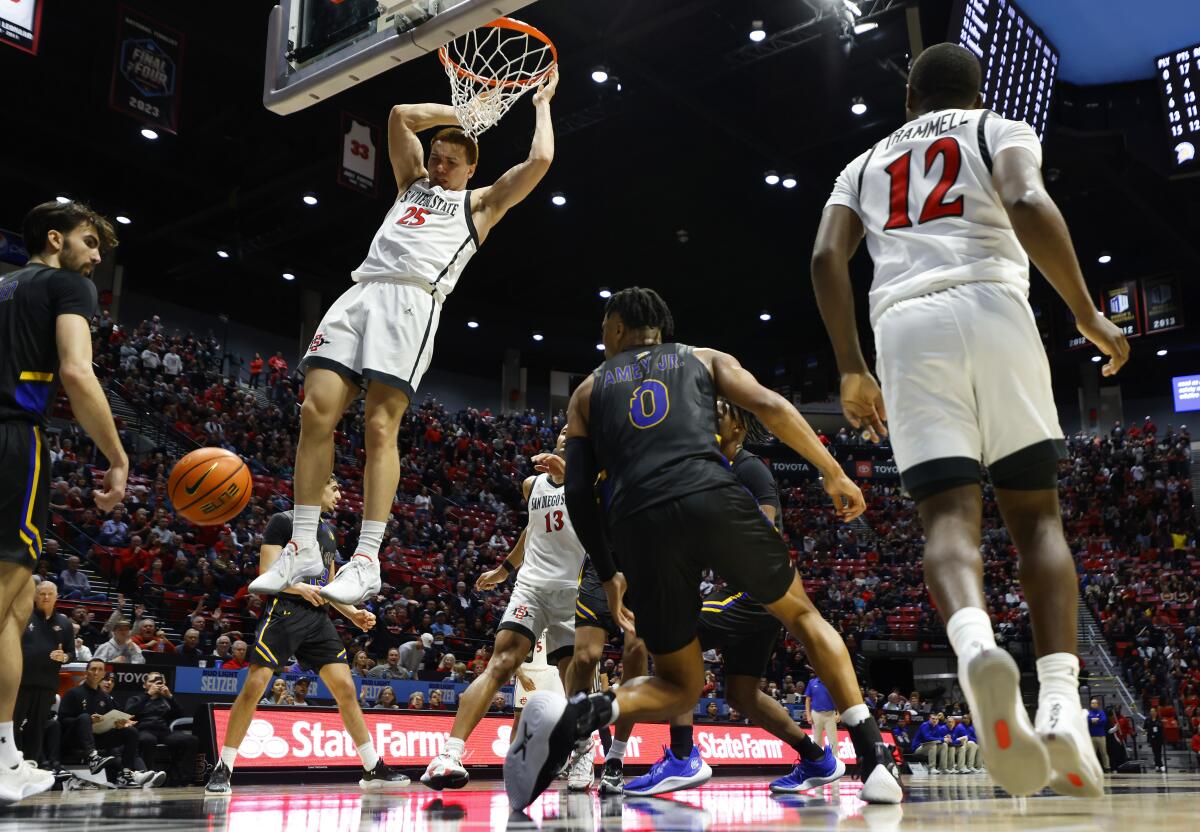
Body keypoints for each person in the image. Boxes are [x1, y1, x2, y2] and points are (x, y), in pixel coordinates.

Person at [810, 42, 1128, 799]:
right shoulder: (998, 129)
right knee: (1037, 519)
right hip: (993, 301)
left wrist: (852, 365)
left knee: (947, 519)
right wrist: (1085, 312)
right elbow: (1024, 202)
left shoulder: (863, 165)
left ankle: (976, 643)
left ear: (909, 97)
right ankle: (1058, 704)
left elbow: (826, 256)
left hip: (904, 327)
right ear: (974, 90)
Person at [504, 287, 902, 810]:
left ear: (619, 327)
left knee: (680, 685)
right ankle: (873, 758)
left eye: (604, 330)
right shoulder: (703, 358)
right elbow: (770, 404)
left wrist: (608, 573)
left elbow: (577, 492)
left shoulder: (588, 391)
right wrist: (833, 471)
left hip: (638, 523)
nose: (601, 341)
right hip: (709, 495)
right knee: (802, 614)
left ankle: (583, 713)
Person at [250, 68, 561, 609]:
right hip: (361, 292)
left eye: (451, 160)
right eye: (436, 156)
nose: (440, 166)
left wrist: (540, 105)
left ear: (471, 169)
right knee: (314, 411)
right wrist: (463, 112)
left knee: (378, 425)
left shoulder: (481, 205)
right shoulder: (410, 184)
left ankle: (366, 558)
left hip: (413, 302)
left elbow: (539, 162)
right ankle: (301, 545)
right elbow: (399, 117)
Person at [566, 399, 842, 797]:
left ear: (739, 426)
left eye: (720, 412)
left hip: (752, 594)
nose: (710, 417)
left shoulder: (749, 468)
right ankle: (816, 757)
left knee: (672, 633)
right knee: (742, 694)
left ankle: (682, 756)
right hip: (760, 601)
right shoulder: (711, 467)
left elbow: (764, 532)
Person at [0, 201, 128, 800]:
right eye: (89, 242)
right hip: (12, 438)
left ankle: (4, 755)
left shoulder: (3, 285)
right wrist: (118, 457)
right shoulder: (68, 284)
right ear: (56, 239)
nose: (97, 257)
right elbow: (77, 373)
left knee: (17, 606)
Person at [205, 475, 408, 793]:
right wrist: (299, 588)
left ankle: (372, 768)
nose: (340, 494)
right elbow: (267, 573)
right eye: (335, 487)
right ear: (316, 489)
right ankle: (223, 768)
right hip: (284, 611)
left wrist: (352, 613)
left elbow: (328, 588)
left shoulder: (329, 533)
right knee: (255, 686)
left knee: (345, 689)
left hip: (317, 619)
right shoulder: (281, 522)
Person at [422, 427, 583, 791]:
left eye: (574, 431)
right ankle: (449, 753)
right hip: (532, 588)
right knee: (501, 662)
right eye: (561, 430)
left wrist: (571, 473)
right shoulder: (532, 485)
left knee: (575, 683)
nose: (565, 432)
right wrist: (504, 569)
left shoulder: (591, 481)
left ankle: (581, 753)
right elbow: (532, 529)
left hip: (573, 593)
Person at [57, 659, 163, 788]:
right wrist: (88, 720)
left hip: (97, 737)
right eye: (93, 669)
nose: (96, 673)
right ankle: (93, 758)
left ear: (103, 674)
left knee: (130, 732)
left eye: (100, 670)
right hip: (74, 739)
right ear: (86, 673)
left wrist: (118, 724)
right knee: (85, 717)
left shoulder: (106, 698)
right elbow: (62, 720)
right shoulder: (73, 693)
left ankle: (125, 774)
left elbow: (109, 721)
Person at [15, 581, 75, 768]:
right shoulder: (24, 617)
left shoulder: (64, 623)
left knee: (37, 727)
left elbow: (72, 653)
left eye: (50, 594)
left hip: (47, 684)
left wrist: (64, 656)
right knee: (13, 725)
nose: (46, 597)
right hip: (20, 682)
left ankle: (31, 764)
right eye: (42, 593)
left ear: (57, 597)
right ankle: (11, 765)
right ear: (34, 596)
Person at [124, 671, 198, 786]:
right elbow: (129, 713)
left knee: (191, 740)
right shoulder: (137, 699)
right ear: (144, 685)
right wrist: (148, 695)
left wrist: (170, 697)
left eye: (159, 682)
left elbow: (181, 714)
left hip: (164, 732)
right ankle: (149, 776)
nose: (156, 684)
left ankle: (182, 778)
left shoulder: (166, 700)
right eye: (152, 681)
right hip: (144, 730)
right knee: (148, 740)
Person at [805, 672, 839, 751]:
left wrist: (839, 714)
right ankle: (819, 760)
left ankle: (835, 760)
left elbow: (838, 698)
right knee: (817, 740)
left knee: (833, 740)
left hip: (830, 714)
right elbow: (807, 700)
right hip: (816, 714)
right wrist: (808, 715)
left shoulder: (832, 682)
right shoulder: (812, 682)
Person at [1087, 698, 1110, 772]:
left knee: (1103, 752)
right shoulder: (1088, 713)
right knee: (1092, 753)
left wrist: (1094, 721)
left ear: (1097, 704)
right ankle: (1092, 768)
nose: (1093, 704)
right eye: (1092, 703)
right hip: (1091, 736)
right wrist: (1092, 720)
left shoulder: (1101, 712)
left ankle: (1107, 767)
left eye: (1094, 703)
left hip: (1101, 736)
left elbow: (1104, 720)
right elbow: (1086, 720)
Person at [1144, 707, 1165, 773]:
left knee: (1158, 752)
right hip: (1152, 739)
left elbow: (1161, 730)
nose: (1152, 713)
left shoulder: (1159, 720)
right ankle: (1159, 765)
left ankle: (1158, 765)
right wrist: (1145, 732)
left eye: (1153, 711)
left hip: (1159, 739)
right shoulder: (1147, 720)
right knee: (1155, 752)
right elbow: (1144, 729)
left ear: (1156, 712)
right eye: (1151, 711)